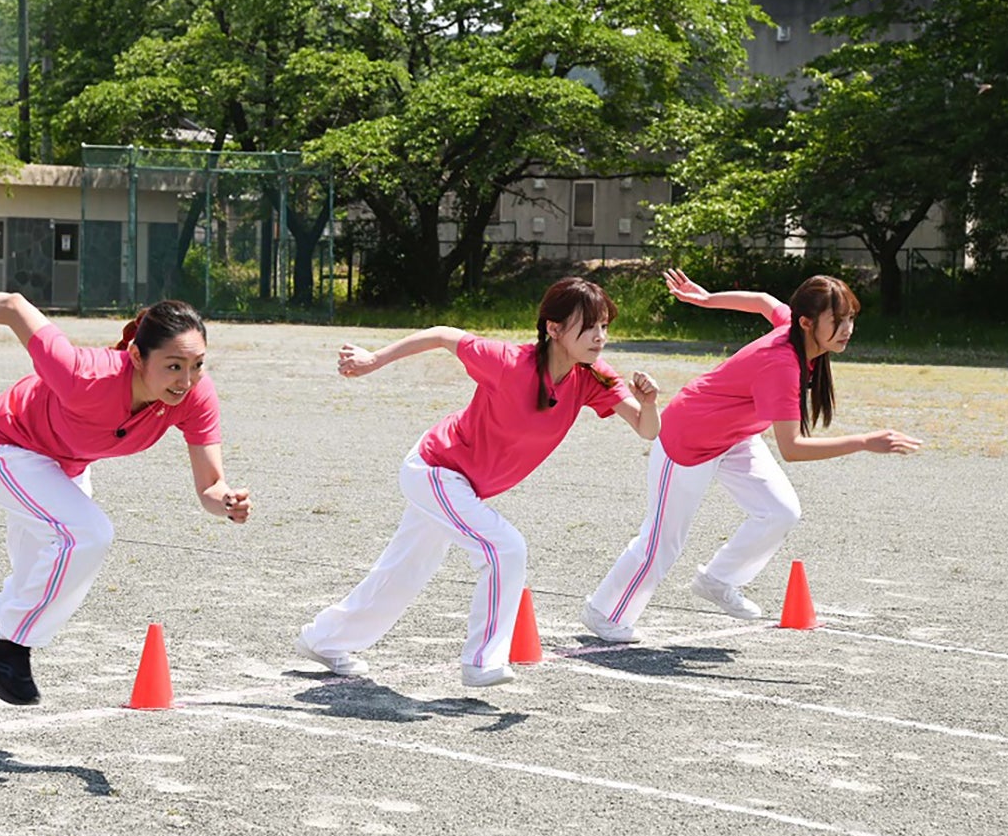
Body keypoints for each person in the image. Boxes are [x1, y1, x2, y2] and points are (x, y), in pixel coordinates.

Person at [297, 277, 660, 688]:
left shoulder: (596, 375)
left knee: (404, 570)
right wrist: (372, 360)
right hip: (436, 470)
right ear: (553, 328)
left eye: (605, 326)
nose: (600, 336)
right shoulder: (507, 361)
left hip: (462, 487)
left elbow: (646, 429)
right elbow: (441, 335)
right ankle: (482, 660)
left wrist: (649, 404)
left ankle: (323, 639)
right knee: (505, 547)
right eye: (589, 326)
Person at [0, 291, 250, 727]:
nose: (186, 380)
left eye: (197, 364)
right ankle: (9, 645)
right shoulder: (83, 373)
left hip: (63, 467)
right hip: (6, 447)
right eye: (173, 365)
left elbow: (210, 486)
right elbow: (15, 307)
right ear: (135, 356)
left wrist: (225, 502)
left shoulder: (195, 397)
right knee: (88, 534)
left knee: (38, 583)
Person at [580, 269, 922, 642]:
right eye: (838, 321)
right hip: (686, 439)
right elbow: (792, 448)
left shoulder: (795, 328)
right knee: (663, 542)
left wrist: (706, 297)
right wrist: (863, 441)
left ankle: (718, 580)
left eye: (851, 318)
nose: (847, 329)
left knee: (781, 511)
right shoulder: (782, 365)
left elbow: (761, 300)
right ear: (807, 322)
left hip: (735, 438)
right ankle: (604, 613)